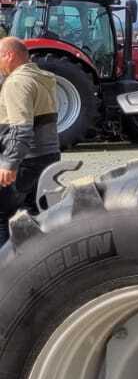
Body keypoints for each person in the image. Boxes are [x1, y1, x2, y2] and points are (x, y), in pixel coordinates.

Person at [0, 37, 61, 246]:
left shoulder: (17, 82)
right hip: (48, 155)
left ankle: (5, 270)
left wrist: (9, 163)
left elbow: (21, 128)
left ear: (9, 55)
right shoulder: (43, 78)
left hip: (26, 159)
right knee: (36, 213)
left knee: (3, 214)